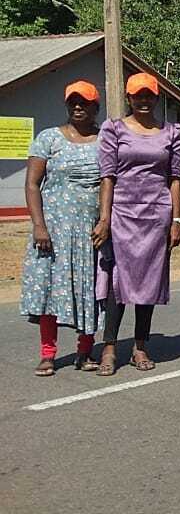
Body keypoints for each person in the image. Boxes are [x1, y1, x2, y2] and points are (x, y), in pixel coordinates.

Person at [93, 73, 180, 376]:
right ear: (129, 98)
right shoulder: (114, 129)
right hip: (122, 213)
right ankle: (109, 347)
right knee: (117, 281)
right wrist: (105, 219)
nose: (143, 100)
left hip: (157, 214)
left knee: (149, 281)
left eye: (148, 95)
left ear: (156, 98)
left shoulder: (171, 132)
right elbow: (108, 177)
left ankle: (140, 346)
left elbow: (174, 178)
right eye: (137, 95)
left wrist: (176, 220)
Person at [24, 81, 102, 376]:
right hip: (53, 231)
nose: (78, 107)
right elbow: (32, 184)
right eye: (73, 102)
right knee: (50, 290)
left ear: (96, 107)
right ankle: (48, 354)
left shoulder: (105, 139)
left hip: (91, 231)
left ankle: (85, 351)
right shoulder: (49, 138)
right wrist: (39, 226)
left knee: (91, 290)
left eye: (84, 102)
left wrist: (106, 222)